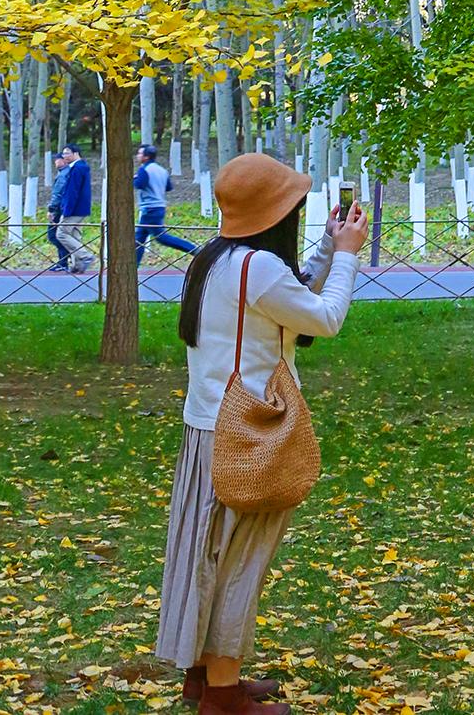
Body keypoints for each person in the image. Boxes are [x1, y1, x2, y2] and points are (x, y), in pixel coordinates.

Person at [156, 153, 367, 715]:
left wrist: (326, 248)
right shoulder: (258, 268)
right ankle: (223, 697)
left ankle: (204, 676)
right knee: (238, 559)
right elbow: (323, 318)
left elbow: (289, 297)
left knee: (204, 552)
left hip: (208, 426)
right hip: (251, 432)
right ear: (277, 213)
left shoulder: (214, 260)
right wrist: (346, 257)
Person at [135, 143, 200, 265]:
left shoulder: (144, 170)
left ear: (146, 157)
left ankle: (193, 249)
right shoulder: (162, 170)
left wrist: (134, 179)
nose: (137, 156)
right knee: (139, 238)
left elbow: (140, 184)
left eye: (140, 153)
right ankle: (133, 266)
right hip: (159, 206)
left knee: (160, 237)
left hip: (149, 208)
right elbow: (168, 187)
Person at [54, 140, 96, 275]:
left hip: (74, 209)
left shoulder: (76, 169)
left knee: (61, 234)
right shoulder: (82, 167)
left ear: (75, 153)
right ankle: (77, 265)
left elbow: (72, 191)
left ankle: (85, 256)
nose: (64, 156)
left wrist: (67, 210)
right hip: (81, 208)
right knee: (74, 235)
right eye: (63, 154)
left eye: (67, 153)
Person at [46, 147, 72, 269]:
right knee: (60, 235)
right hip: (66, 208)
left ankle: (64, 261)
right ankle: (65, 260)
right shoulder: (68, 173)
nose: (55, 162)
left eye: (57, 160)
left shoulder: (63, 175)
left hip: (59, 209)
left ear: (64, 160)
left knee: (55, 235)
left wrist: (52, 209)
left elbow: (58, 194)